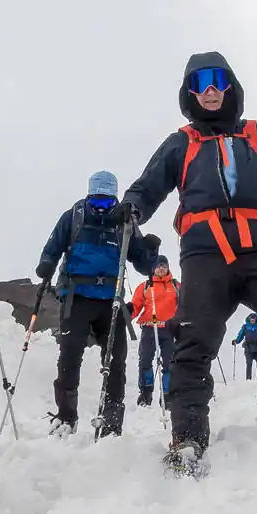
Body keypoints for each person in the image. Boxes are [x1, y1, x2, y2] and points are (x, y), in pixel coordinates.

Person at [115, 52, 257, 473]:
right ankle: (189, 434)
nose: (210, 90)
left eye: (217, 80)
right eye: (199, 83)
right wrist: (131, 208)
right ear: (189, 92)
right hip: (205, 252)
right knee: (194, 335)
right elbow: (147, 187)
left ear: (230, 85)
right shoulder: (181, 142)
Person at [36, 171, 159, 436]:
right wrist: (47, 264)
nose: (101, 208)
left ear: (115, 199)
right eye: (96, 201)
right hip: (77, 297)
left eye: (107, 202)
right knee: (69, 356)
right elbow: (54, 246)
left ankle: (111, 422)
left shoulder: (125, 224)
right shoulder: (74, 216)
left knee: (116, 361)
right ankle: (66, 417)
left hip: (111, 302)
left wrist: (151, 251)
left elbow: (144, 265)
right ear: (89, 196)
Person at [130, 255, 179, 407]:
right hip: (149, 328)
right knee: (145, 360)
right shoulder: (145, 286)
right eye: (158, 266)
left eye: (164, 266)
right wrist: (125, 315)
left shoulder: (176, 286)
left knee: (169, 363)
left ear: (168, 268)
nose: (161, 269)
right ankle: (146, 392)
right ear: (153, 269)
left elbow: (187, 303)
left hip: (169, 330)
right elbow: (135, 306)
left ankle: (167, 395)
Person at [231, 313, 257, 379]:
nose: (252, 321)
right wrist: (236, 341)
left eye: (253, 319)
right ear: (249, 319)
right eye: (251, 319)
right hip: (248, 349)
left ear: (256, 319)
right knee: (249, 364)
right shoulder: (245, 327)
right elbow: (240, 336)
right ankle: (248, 380)